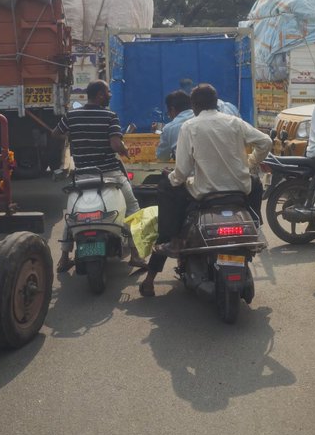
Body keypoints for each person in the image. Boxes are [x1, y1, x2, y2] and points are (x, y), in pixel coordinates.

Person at [139, 83, 271, 297]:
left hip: (205, 192)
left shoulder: (189, 127)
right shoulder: (235, 122)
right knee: (255, 183)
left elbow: (181, 172)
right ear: (216, 101)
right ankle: (255, 225)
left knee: (166, 186)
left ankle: (171, 240)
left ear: (194, 105)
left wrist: (171, 177)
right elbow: (266, 141)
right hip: (239, 189)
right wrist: (250, 162)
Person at [52, 80, 140, 273]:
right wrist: (125, 151)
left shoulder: (71, 115)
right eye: (108, 91)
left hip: (82, 175)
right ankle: (135, 254)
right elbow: (116, 145)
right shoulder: (110, 116)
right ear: (100, 94)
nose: (110, 94)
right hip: (109, 174)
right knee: (133, 207)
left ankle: (64, 257)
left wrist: (73, 137)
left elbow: (56, 133)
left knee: (72, 214)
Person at [155, 90, 193, 162]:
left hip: (186, 172)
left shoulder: (169, 128)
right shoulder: (200, 119)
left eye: (168, 113)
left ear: (172, 109)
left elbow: (162, 157)